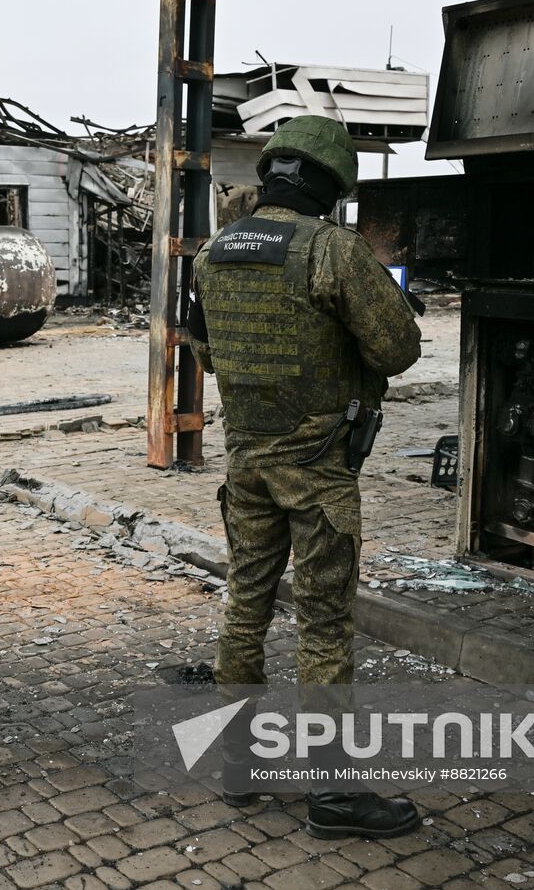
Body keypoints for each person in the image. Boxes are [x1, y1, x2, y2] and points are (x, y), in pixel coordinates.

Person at [187, 115, 424, 839]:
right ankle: (334, 795)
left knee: (244, 610)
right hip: (318, 475)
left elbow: (205, 352)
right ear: (328, 185)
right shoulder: (332, 251)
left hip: (247, 465)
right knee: (323, 628)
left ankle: (240, 767)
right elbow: (397, 350)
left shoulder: (213, 254)